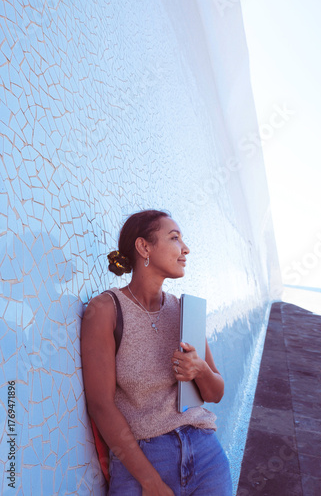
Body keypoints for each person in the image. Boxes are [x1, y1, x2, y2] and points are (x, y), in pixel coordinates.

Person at [81, 209, 233, 495]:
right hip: (142, 458)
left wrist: (199, 369)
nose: (185, 248)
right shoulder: (106, 310)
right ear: (144, 247)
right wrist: (149, 481)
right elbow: (100, 405)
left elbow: (215, 394)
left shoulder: (185, 310)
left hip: (205, 455)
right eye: (174, 238)